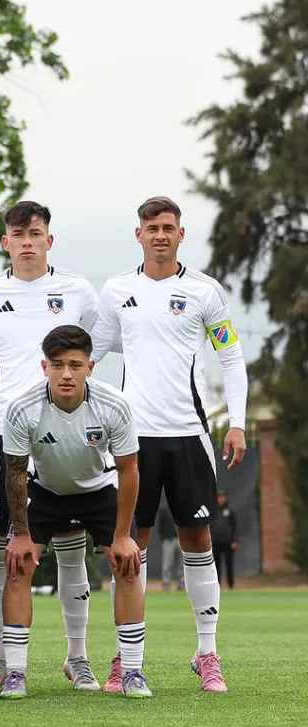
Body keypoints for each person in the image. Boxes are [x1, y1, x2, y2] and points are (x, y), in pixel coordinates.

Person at [92, 196, 248, 693]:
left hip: (189, 436)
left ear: (182, 234)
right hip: (132, 439)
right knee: (128, 549)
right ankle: (125, 659)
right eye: (150, 227)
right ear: (137, 235)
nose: (159, 234)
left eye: (168, 227)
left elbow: (232, 358)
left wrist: (238, 423)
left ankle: (207, 653)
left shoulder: (205, 292)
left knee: (198, 541)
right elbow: (89, 354)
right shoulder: (117, 290)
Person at [0, 200, 101, 693]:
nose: (27, 242)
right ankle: (0, 657)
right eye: (18, 235)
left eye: (35, 233)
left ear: (48, 239)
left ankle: (77, 656)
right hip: (3, 428)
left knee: (71, 545)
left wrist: (73, 384)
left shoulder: (77, 289)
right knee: (6, 548)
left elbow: (95, 345)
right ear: (5, 242)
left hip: (65, 427)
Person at [0, 325, 152, 699]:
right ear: (44, 367)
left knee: (128, 564)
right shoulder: (22, 407)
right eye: (57, 365)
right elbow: (16, 473)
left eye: (74, 365)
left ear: (90, 367)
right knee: (18, 563)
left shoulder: (114, 405)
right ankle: (15, 673)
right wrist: (21, 535)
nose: (66, 374)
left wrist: (121, 536)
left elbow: (129, 470)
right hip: (46, 491)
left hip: (97, 490)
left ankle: (132, 672)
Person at [211, 491, 238, 589]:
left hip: (228, 542)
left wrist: (234, 540)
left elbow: (234, 527)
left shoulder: (230, 511)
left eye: (222, 497)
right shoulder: (213, 511)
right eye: (219, 497)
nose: (221, 499)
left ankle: (231, 584)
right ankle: (217, 585)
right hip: (215, 542)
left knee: (229, 564)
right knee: (216, 565)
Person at [157, 504, 182, 590]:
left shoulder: (182, 508)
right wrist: (164, 537)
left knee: (181, 563)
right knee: (167, 563)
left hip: (180, 539)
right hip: (169, 539)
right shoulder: (164, 510)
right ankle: (166, 583)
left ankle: (181, 584)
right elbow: (160, 525)